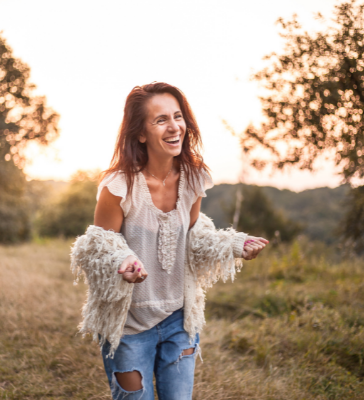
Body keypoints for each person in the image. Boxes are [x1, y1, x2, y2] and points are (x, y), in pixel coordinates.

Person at [70, 82, 269, 400]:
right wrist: (122, 262)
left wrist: (231, 245)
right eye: (161, 119)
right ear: (141, 133)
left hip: (179, 319)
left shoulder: (193, 177)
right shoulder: (119, 185)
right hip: (129, 328)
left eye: (178, 116)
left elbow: (194, 237)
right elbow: (99, 247)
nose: (175, 126)